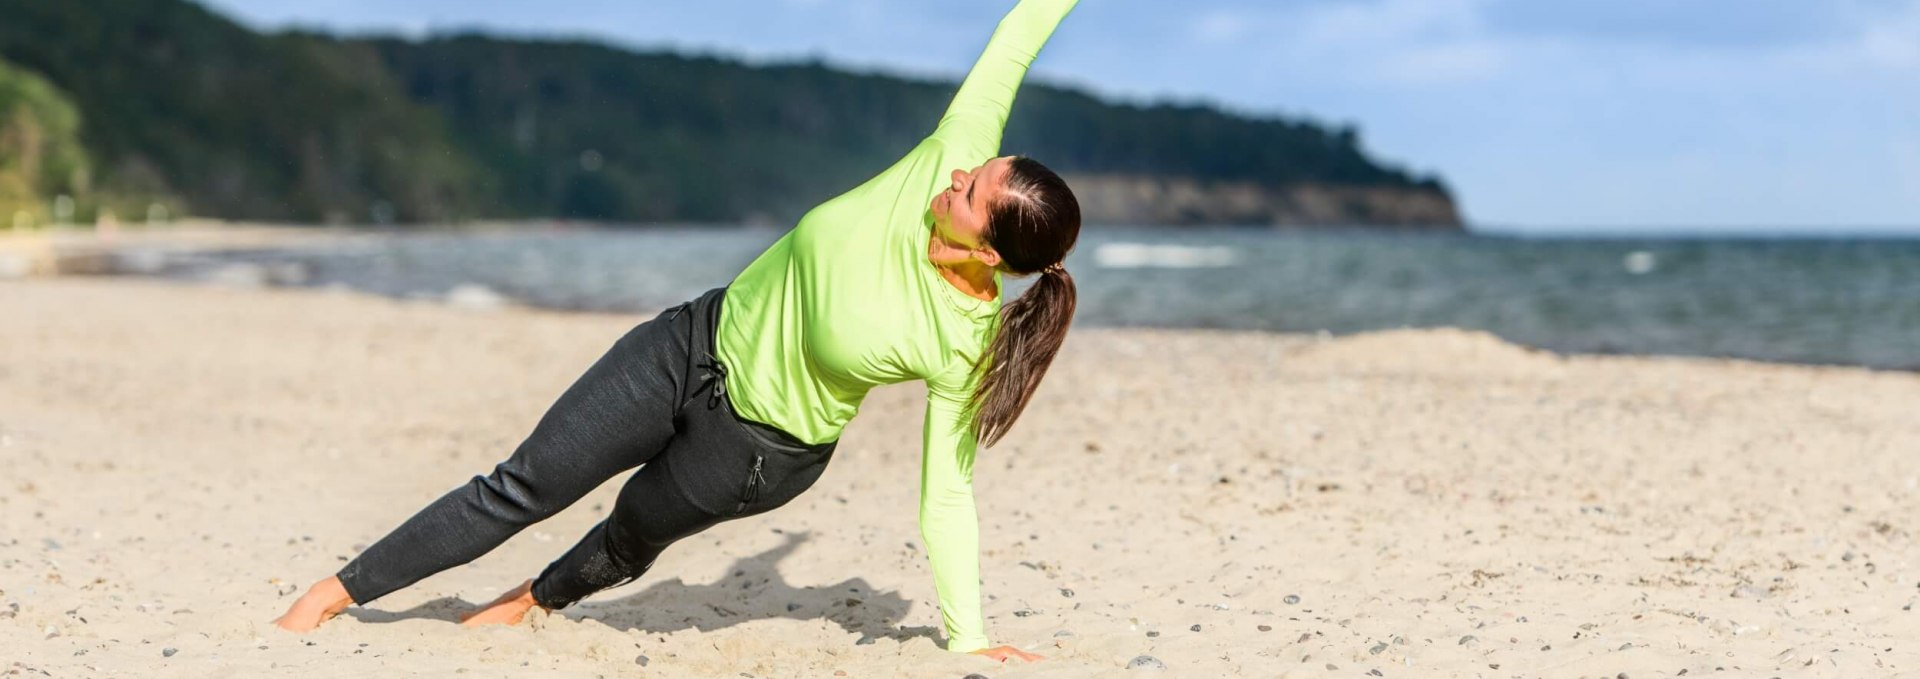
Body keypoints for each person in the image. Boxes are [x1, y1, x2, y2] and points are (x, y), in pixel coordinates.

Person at [273, 0, 1081, 663]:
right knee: (523, 483)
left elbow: (947, 487)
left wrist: (968, 639)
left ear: (987, 247)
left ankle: (528, 600)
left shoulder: (961, 340)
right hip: (689, 342)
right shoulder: (955, 146)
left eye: (974, 190)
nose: (961, 173)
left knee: (627, 536)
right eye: (984, 165)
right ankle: (334, 593)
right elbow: (1018, 36)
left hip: (758, 451)